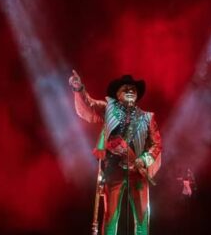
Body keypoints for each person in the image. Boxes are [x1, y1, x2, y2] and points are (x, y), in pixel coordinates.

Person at [69, 70, 162, 235]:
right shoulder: (108, 110)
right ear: (117, 94)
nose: (130, 90)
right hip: (114, 169)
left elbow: (156, 144)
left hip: (138, 171)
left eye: (133, 88)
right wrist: (79, 89)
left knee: (142, 218)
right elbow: (89, 106)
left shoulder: (147, 117)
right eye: (125, 88)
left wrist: (143, 160)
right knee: (110, 217)